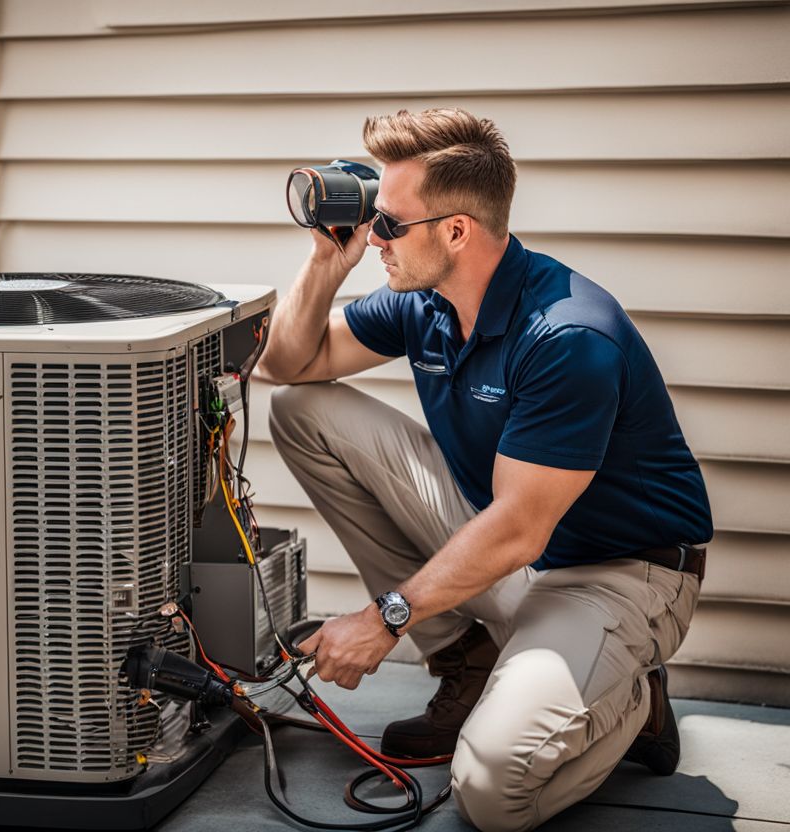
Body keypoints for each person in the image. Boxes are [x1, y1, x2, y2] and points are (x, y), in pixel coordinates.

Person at [255, 108, 711, 832]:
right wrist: (323, 264)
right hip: (504, 534)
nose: (374, 237)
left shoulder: (567, 336)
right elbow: (288, 363)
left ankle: (636, 702)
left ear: (456, 231)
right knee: (300, 410)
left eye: (390, 225)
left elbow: (521, 530)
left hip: (616, 573)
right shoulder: (427, 302)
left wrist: (383, 620)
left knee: (492, 791)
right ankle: (470, 666)